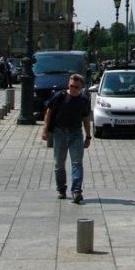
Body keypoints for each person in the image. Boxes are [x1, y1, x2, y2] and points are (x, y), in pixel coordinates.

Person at [41, 73, 92, 204]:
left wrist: (88, 136)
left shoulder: (84, 100)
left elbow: (86, 118)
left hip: (76, 134)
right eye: (71, 86)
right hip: (60, 133)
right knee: (59, 163)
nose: (73, 89)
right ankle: (61, 189)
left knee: (77, 163)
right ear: (68, 84)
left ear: (81, 87)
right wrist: (45, 129)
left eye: (76, 87)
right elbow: (49, 112)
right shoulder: (60, 96)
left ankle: (76, 191)